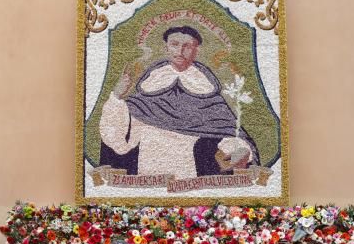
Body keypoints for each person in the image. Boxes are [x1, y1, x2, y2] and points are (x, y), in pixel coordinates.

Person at [99, 25, 261, 178]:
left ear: (196, 50)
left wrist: (240, 150)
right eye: (175, 44)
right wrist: (117, 96)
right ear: (166, 48)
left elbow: (226, 131)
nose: (180, 51)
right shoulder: (149, 89)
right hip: (147, 170)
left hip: (191, 173)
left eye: (188, 46)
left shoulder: (207, 91)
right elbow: (117, 137)